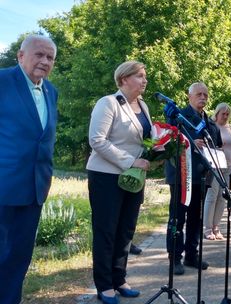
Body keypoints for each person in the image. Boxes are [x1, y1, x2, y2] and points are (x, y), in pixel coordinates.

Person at [86, 61, 151, 303]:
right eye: (140, 76)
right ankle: (104, 285)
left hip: (133, 179)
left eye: (145, 77)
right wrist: (130, 162)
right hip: (106, 176)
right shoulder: (108, 103)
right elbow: (97, 140)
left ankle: (119, 278)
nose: (145, 81)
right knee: (106, 231)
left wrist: (160, 148)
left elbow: (145, 140)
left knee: (125, 230)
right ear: (123, 79)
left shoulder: (143, 106)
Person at [0, 34, 58, 304]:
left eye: (50, 57)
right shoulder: (2, 81)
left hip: (35, 189)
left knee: (19, 258)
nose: (45, 61)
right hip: (3, 186)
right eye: (39, 54)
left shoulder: (51, 91)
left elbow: (44, 138)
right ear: (21, 56)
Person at [164, 82, 222, 275]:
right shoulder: (177, 117)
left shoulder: (210, 123)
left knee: (196, 219)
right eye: (199, 94)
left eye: (205, 94)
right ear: (189, 96)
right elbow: (167, 142)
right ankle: (175, 257)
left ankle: (191, 254)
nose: (203, 98)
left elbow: (217, 146)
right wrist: (189, 143)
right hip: (181, 177)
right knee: (178, 218)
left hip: (202, 177)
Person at [203, 103, 231, 240]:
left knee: (223, 197)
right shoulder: (211, 126)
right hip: (215, 165)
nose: (225, 116)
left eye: (228, 114)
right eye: (223, 114)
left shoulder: (230, 128)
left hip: (228, 165)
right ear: (217, 114)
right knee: (212, 196)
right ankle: (207, 228)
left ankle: (216, 226)